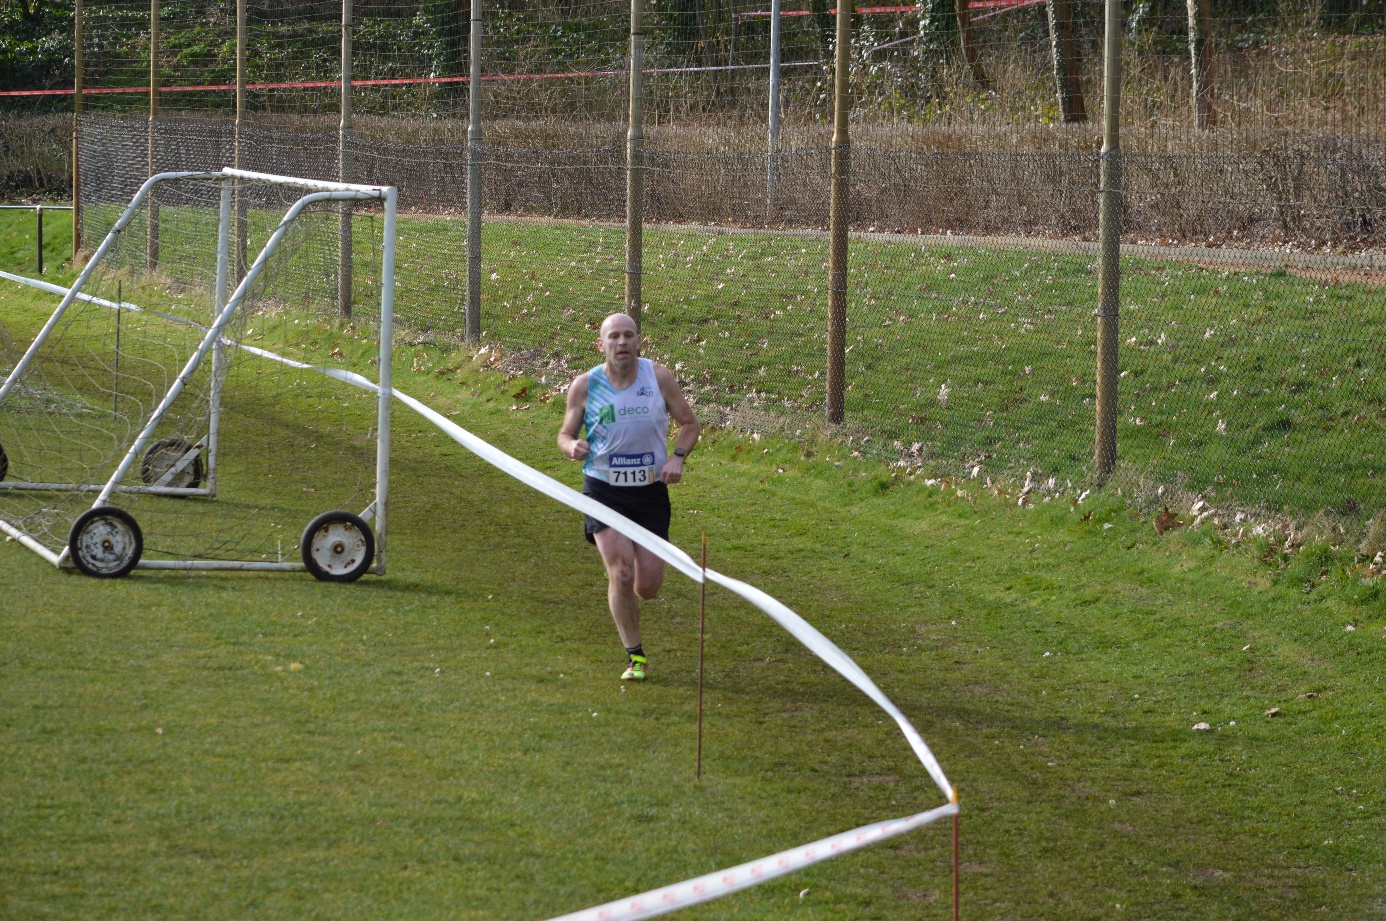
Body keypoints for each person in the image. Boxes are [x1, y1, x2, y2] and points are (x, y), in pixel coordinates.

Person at [558, 313, 700, 681]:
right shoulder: (586, 385)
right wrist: (572, 445)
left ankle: (631, 603)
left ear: (639, 341)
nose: (622, 343)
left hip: (650, 492)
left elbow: (689, 423)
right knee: (620, 574)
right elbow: (564, 434)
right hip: (603, 491)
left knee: (647, 587)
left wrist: (677, 457)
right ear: (601, 344)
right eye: (614, 337)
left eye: (628, 336)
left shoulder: (659, 377)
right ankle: (635, 658)